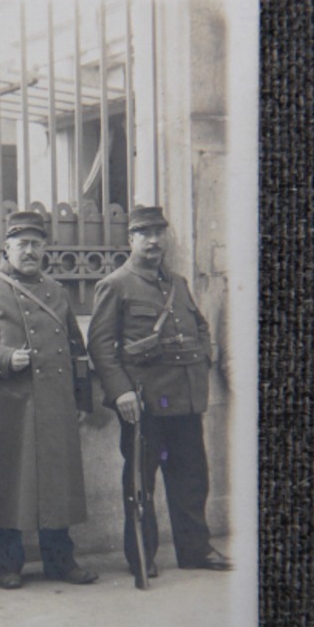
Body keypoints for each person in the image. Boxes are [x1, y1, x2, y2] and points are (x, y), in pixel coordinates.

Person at [0, 211, 98, 590]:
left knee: (56, 485)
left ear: (45, 248)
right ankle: (8, 565)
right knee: (6, 485)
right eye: (22, 244)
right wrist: (2, 357)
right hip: (5, 402)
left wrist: (81, 400)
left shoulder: (57, 291)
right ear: (6, 247)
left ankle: (61, 561)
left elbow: (76, 350)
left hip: (53, 403)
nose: (30, 251)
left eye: (37, 244)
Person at [87, 204, 232, 583]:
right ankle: (141, 555)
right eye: (144, 233)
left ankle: (194, 549)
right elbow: (100, 347)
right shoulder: (115, 285)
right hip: (145, 403)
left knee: (191, 478)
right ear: (130, 239)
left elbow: (200, 327)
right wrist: (120, 393)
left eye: (158, 232)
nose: (153, 240)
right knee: (140, 482)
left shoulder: (178, 283)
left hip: (183, 400)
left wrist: (202, 359)